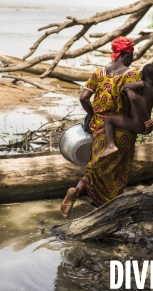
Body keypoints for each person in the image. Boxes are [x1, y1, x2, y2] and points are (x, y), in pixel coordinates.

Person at [61, 36, 141, 219]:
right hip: (122, 129)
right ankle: (108, 211)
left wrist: (94, 115)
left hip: (99, 127)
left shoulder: (98, 73)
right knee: (116, 170)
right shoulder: (131, 75)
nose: (133, 58)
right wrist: (143, 122)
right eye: (132, 54)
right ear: (126, 54)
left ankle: (77, 190)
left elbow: (83, 98)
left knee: (96, 167)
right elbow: (135, 100)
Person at [99, 64, 153, 158]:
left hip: (136, 124)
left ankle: (111, 145)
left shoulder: (142, 84)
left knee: (108, 120)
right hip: (146, 127)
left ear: (142, 76)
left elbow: (136, 85)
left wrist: (125, 86)